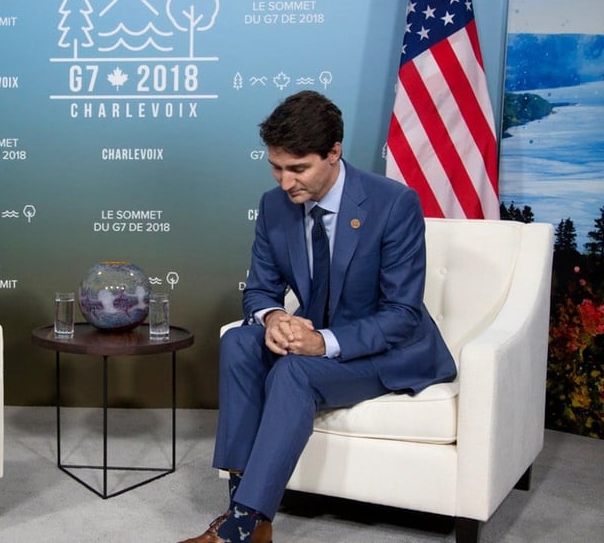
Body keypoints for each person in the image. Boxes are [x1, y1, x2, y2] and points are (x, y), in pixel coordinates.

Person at [179, 90, 457, 543]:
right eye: (276, 167)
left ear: (333, 153)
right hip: (315, 333)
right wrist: (274, 318)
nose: (285, 182)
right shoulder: (274, 206)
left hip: (385, 351)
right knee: (238, 342)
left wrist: (322, 343)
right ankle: (248, 517)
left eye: (298, 168)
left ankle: (239, 527)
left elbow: (402, 315)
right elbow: (261, 289)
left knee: (295, 372)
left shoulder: (393, 204)